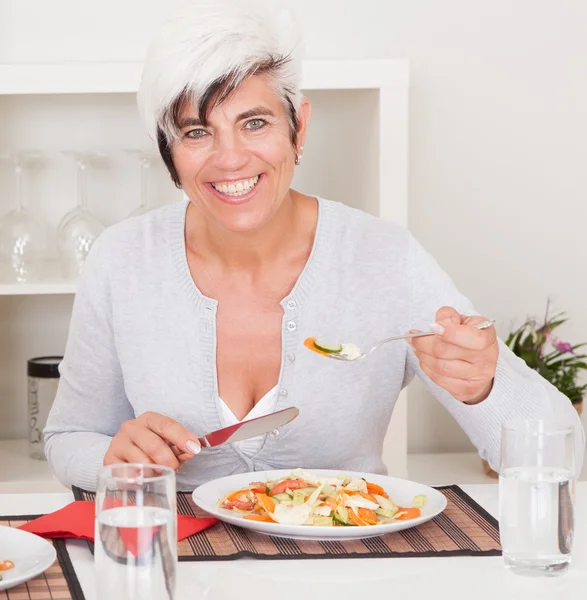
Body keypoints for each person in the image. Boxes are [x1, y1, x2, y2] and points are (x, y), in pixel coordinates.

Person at [44, 0, 584, 492]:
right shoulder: (121, 261)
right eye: (196, 132)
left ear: (298, 129)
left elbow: (560, 449)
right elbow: (71, 435)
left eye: (254, 123)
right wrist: (115, 459)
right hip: (178, 569)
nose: (230, 158)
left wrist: (484, 386)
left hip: (348, 568)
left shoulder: (384, 257)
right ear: (169, 152)